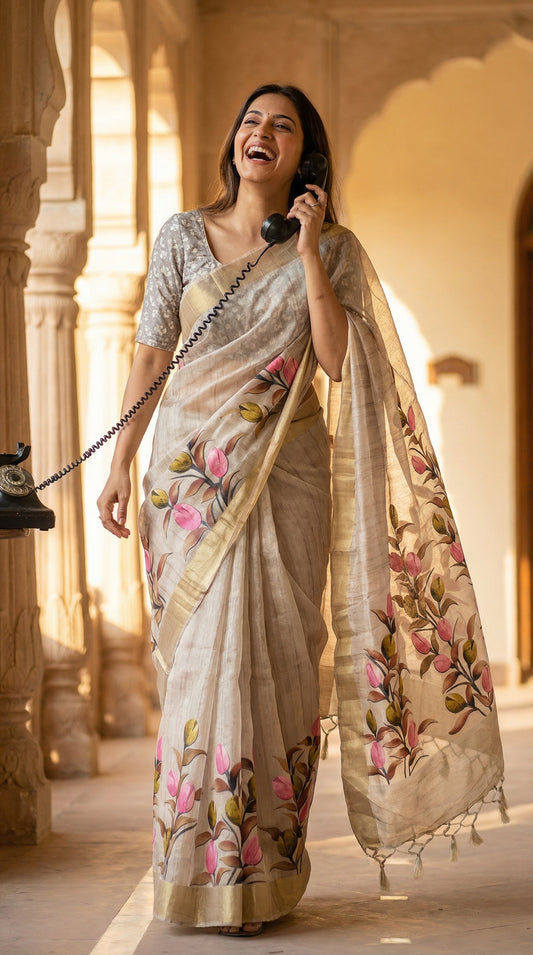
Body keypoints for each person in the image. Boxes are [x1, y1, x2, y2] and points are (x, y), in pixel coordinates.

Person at [97, 84, 505, 938]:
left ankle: (264, 867)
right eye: (250, 120)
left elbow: (334, 356)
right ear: (232, 142)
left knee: (279, 669)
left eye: (282, 127)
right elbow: (149, 355)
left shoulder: (336, 248)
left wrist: (310, 248)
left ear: (304, 159)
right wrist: (121, 462)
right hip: (193, 479)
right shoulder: (181, 236)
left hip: (286, 481)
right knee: (205, 668)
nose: (261, 134)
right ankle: (198, 865)